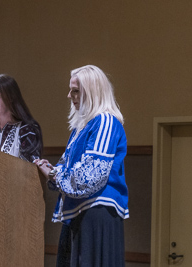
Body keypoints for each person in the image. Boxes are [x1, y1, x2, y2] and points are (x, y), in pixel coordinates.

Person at [34, 65, 129, 267]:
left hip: (96, 214)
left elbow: (89, 178)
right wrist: (52, 172)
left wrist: (54, 174)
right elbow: (69, 172)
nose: (70, 96)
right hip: (79, 215)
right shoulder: (81, 128)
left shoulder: (104, 121)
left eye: (75, 90)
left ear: (92, 92)